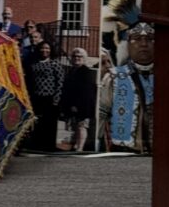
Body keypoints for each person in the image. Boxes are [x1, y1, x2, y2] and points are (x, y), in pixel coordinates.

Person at [108, 22, 155, 154]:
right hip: (126, 150)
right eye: (137, 39)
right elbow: (102, 113)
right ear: (128, 44)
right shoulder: (114, 77)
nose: (144, 44)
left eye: (150, 39)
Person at [27, 41, 64, 152]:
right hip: (37, 97)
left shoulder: (55, 64)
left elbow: (60, 82)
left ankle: (49, 146)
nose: (45, 50)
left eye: (47, 48)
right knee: (37, 122)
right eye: (42, 48)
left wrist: (56, 99)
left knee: (50, 123)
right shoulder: (34, 64)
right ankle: (37, 145)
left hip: (50, 98)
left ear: (51, 50)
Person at [60, 47, 98, 152]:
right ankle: (77, 145)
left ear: (84, 58)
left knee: (82, 126)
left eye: (79, 56)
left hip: (83, 105)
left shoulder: (86, 72)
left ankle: (80, 147)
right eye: (75, 56)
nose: (77, 58)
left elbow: (85, 92)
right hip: (73, 105)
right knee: (75, 126)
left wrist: (76, 105)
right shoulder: (72, 71)